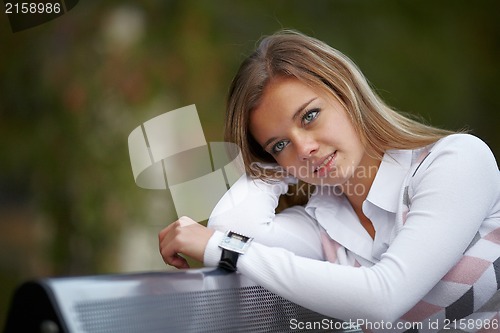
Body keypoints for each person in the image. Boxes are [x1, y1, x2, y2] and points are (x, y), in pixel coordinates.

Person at [158, 30, 500, 331]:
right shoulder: (321, 224)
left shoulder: (456, 161)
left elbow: (383, 298)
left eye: (309, 116)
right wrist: (272, 168)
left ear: (346, 92)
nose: (305, 148)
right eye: (279, 143)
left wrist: (225, 250)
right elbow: (231, 226)